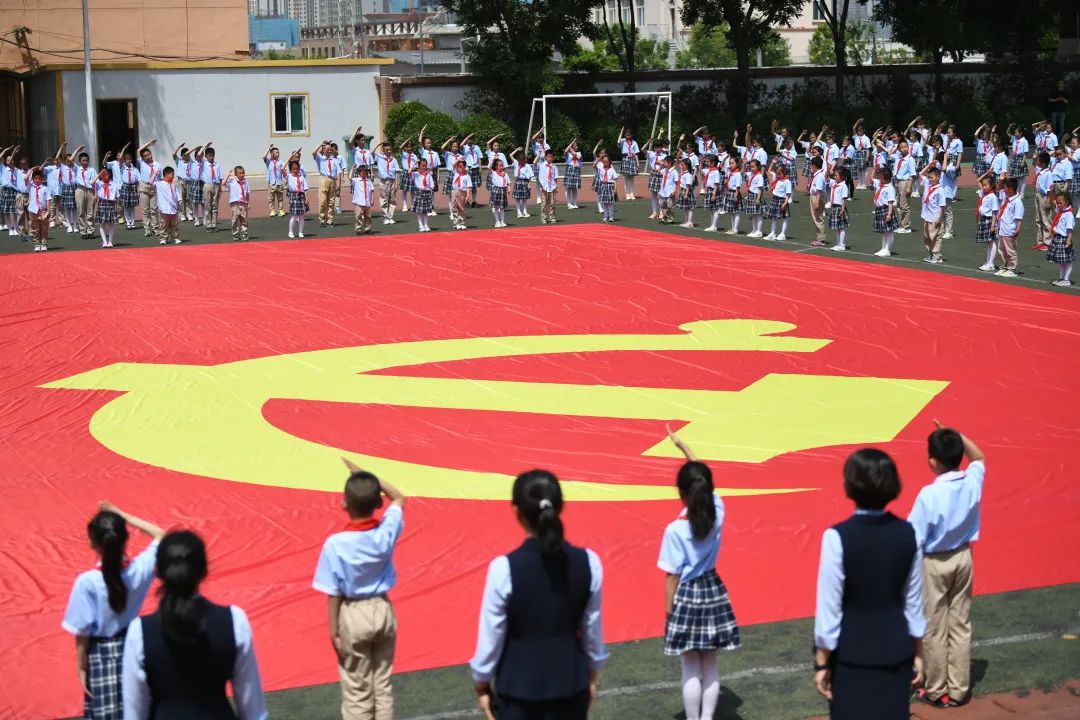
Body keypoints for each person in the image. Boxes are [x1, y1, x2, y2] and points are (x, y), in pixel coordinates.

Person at [470, 469, 607, 720]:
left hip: (518, 692)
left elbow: (492, 634)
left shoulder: (504, 568)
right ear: (560, 506)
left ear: (516, 512)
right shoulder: (589, 563)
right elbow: (593, 631)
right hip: (571, 686)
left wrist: (481, 680)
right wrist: (592, 674)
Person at [813, 448, 926, 720]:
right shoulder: (910, 534)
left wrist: (821, 663)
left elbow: (829, 609)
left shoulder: (836, 537)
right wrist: (919, 653)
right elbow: (914, 604)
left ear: (850, 486)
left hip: (852, 657)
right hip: (896, 652)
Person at [121, 531, 267, 720]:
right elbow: (253, 711)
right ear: (204, 570)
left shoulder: (139, 632)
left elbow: (134, 713)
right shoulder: (234, 621)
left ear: (158, 572)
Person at [313, 458, 406, 720]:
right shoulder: (385, 533)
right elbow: (399, 498)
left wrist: (334, 631)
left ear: (344, 503)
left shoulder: (336, 544)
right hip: (382, 608)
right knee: (382, 684)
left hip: (353, 613)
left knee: (357, 688)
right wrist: (369, 477)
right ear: (378, 503)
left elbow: (333, 592)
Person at [659, 428, 740, 720]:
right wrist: (685, 448)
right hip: (713, 591)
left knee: (690, 666)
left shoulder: (675, 529)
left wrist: (669, 613)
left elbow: (671, 576)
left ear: (681, 494)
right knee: (711, 664)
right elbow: (706, 479)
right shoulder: (718, 512)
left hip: (687, 596)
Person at [907, 421, 986, 708]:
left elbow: (912, 538)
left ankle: (937, 688)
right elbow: (978, 457)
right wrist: (958, 435)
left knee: (934, 626)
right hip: (964, 558)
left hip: (934, 563)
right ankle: (959, 688)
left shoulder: (928, 495)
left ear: (932, 461)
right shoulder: (971, 480)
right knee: (960, 622)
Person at [62, 501, 165, 720]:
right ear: (125, 539)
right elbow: (161, 535)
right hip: (135, 646)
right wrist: (122, 514)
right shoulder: (139, 570)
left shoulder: (87, 582)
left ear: (93, 544)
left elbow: (82, 631)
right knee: (140, 707)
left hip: (101, 655)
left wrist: (80, 665)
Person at [994, 178, 1025, 279]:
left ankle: (1012, 268)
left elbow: (1019, 218)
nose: (1004, 189)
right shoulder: (1005, 198)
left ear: (1011, 189)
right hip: (1002, 228)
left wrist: (1017, 229)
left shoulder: (1017, 202)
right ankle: (1005, 266)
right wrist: (1001, 181)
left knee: (1010, 250)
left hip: (1010, 229)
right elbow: (997, 189)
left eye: (1006, 188)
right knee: (1002, 249)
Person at [920, 164, 947, 264]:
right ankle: (931, 253)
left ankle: (937, 256)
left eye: (932, 177)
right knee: (927, 237)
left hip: (935, 217)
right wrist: (928, 166)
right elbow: (920, 174)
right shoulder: (928, 184)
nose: (930, 179)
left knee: (936, 237)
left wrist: (939, 218)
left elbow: (941, 206)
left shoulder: (940, 190)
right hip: (927, 216)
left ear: (938, 177)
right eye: (929, 177)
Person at [1046, 192, 1075, 286]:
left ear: (1066, 202)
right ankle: (1061, 278)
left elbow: (1070, 229)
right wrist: (1051, 192)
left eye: (1060, 202)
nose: (1058, 204)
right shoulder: (1061, 211)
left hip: (1064, 238)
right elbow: (1053, 201)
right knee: (1061, 260)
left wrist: (1069, 240)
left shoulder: (1068, 214)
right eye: (1058, 203)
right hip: (1057, 237)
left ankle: (1066, 279)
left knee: (1067, 260)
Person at [135, 139, 162, 239]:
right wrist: (149, 144)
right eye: (145, 155)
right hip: (144, 186)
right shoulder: (142, 163)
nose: (148, 156)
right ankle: (147, 229)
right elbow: (138, 151)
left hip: (154, 187)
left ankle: (155, 228)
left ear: (151, 154)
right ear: (143, 157)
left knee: (154, 210)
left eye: (148, 154)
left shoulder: (158, 165)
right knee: (145, 210)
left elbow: (161, 178)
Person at [870, 166, 899, 257]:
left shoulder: (890, 188)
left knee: (889, 230)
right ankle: (883, 248)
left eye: (880, 176)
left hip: (886, 209)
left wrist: (889, 214)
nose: (878, 177)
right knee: (883, 231)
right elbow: (871, 179)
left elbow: (890, 202)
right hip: (879, 209)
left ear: (885, 178)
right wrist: (874, 169)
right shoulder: (879, 183)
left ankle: (887, 249)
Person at [974, 176, 1000, 272]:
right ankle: (988, 261)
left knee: (992, 241)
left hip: (989, 220)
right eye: (983, 185)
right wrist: (986, 174)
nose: (984, 187)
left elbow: (994, 212)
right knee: (988, 242)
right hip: (984, 219)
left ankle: (991, 263)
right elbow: (978, 181)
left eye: (986, 185)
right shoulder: (984, 194)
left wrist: (993, 225)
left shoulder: (993, 197)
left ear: (991, 185)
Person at [763, 161, 792, 241]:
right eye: (777, 174)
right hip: (775, 199)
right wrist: (772, 163)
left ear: (784, 172)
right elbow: (769, 171)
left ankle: (783, 234)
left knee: (784, 217)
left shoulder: (787, 182)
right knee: (773, 217)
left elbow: (788, 194)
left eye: (779, 174)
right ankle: (773, 233)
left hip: (782, 201)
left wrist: (785, 204)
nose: (778, 175)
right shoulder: (777, 179)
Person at [1032, 152, 1054, 252]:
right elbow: (1034, 163)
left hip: (1044, 197)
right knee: (1038, 219)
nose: (1037, 161)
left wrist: (1049, 200)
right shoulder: (1040, 170)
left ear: (1043, 163)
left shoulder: (1048, 173)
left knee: (1046, 220)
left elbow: (1050, 189)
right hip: (1038, 195)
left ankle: (1047, 242)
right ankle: (1040, 241)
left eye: (1038, 160)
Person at [154, 166, 182, 245]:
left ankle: (175, 238)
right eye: (172, 174)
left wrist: (179, 201)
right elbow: (150, 182)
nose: (173, 176)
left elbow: (177, 194)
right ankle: (163, 238)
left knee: (174, 224)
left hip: (173, 207)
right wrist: (155, 173)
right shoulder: (159, 184)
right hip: (164, 208)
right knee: (164, 224)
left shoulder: (173, 185)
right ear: (166, 174)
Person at [826, 167, 851, 252]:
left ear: (842, 176)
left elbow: (843, 199)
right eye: (834, 175)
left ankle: (842, 244)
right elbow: (827, 178)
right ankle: (838, 243)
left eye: (836, 175)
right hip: (834, 207)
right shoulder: (834, 183)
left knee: (841, 227)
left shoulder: (843, 186)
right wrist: (828, 170)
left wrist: (842, 209)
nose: (835, 177)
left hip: (839, 207)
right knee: (837, 227)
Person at [93, 167, 120, 248]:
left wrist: (118, 206)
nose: (105, 177)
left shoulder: (113, 184)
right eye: (103, 175)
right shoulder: (99, 183)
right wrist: (99, 175)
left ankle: (110, 241)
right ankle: (104, 242)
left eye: (106, 175)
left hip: (111, 203)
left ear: (109, 175)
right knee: (102, 225)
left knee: (111, 224)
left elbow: (117, 196)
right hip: (102, 203)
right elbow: (91, 182)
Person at [313, 140, 338, 227]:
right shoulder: (320, 159)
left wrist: (337, 183)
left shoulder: (334, 160)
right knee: (322, 201)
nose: (329, 150)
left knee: (331, 201)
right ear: (323, 150)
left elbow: (337, 172)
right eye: (327, 149)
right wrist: (321, 144)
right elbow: (313, 153)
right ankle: (322, 219)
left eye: (330, 149)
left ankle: (330, 220)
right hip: (323, 178)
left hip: (332, 179)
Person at [224, 166, 251, 242]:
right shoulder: (232, 181)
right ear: (236, 174)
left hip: (243, 203)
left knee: (244, 219)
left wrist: (248, 203)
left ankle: (244, 233)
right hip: (235, 204)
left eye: (243, 173)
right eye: (240, 173)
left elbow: (247, 193)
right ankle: (235, 234)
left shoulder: (246, 182)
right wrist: (228, 175)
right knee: (235, 220)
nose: (242, 175)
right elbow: (223, 183)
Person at [377, 142, 401, 226]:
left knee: (392, 199)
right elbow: (371, 153)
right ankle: (386, 217)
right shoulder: (379, 158)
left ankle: (390, 216)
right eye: (387, 150)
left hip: (392, 181)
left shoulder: (393, 160)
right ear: (383, 150)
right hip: (384, 181)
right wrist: (378, 145)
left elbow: (397, 172)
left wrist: (397, 183)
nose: (389, 151)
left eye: (390, 149)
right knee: (384, 199)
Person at [27, 167, 50, 252]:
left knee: (44, 228)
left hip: (43, 211)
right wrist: (32, 169)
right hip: (33, 211)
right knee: (35, 228)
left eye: (39, 178)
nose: (37, 180)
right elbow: (25, 178)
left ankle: (44, 244)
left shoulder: (45, 188)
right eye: (35, 178)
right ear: (32, 179)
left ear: (42, 179)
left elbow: (48, 199)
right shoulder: (30, 187)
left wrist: (48, 211)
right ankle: (37, 244)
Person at [285, 156, 309, 239]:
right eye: (293, 169)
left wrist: (307, 198)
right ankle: (290, 231)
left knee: (302, 215)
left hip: (301, 196)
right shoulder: (289, 176)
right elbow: (282, 169)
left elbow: (305, 188)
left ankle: (300, 232)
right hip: (294, 195)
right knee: (294, 215)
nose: (295, 170)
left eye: (297, 169)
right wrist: (291, 157)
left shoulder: (302, 177)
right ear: (291, 169)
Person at [74, 151, 97, 239]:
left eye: (86, 160)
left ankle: (90, 230)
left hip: (90, 190)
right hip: (80, 189)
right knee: (81, 211)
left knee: (90, 211)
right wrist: (77, 150)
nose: (85, 162)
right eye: (83, 161)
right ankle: (83, 230)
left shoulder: (92, 170)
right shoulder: (77, 169)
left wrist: (95, 194)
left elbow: (96, 183)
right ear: (80, 161)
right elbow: (71, 160)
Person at [201, 145, 224, 232]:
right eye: (209, 155)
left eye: (213, 155)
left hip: (216, 185)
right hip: (207, 185)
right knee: (208, 206)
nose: (211, 157)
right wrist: (204, 147)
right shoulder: (203, 163)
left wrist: (220, 187)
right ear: (206, 156)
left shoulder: (217, 164)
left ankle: (214, 223)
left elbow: (220, 176)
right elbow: (199, 155)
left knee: (215, 205)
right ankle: (208, 223)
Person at [411, 157, 436, 232]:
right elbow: (409, 172)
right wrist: (415, 163)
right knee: (419, 211)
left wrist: (431, 192)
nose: (424, 167)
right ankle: (420, 225)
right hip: (419, 192)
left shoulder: (428, 175)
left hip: (427, 193)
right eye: (422, 165)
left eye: (425, 166)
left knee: (425, 211)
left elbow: (431, 186)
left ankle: (426, 224)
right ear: (419, 166)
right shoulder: (416, 174)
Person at [742, 159, 765, 237]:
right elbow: (743, 173)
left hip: (756, 196)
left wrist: (758, 199)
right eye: (751, 167)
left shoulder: (759, 176)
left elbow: (760, 189)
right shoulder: (750, 174)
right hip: (750, 195)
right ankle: (754, 230)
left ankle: (759, 231)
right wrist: (744, 164)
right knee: (753, 214)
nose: (752, 168)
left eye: (753, 167)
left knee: (758, 214)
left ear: (758, 167)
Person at [721, 156, 743, 235]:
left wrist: (735, 196)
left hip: (734, 193)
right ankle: (733, 227)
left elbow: (738, 186)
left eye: (732, 163)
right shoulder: (730, 172)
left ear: (737, 164)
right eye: (730, 164)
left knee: (736, 212)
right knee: (732, 212)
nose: (731, 165)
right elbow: (721, 166)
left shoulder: (738, 174)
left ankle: (735, 229)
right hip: (729, 192)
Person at [808, 156, 827, 246]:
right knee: (816, 217)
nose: (810, 167)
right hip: (815, 196)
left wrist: (816, 202)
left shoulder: (819, 176)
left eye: (811, 165)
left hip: (816, 197)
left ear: (814, 166)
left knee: (818, 217)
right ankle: (819, 237)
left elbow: (819, 190)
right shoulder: (818, 175)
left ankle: (821, 239)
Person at [537, 148, 559, 224]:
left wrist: (556, 186)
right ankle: (543, 218)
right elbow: (540, 176)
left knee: (552, 203)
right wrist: (542, 185)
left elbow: (555, 178)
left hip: (552, 187)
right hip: (544, 187)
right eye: (549, 157)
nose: (550, 158)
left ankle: (552, 217)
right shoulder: (542, 166)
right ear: (545, 157)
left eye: (551, 157)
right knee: (544, 203)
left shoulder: (554, 167)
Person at [351, 164, 375, 235]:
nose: (364, 174)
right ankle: (358, 228)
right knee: (358, 216)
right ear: (359, 173)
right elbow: (349, 177)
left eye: (366, 173)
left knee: (368, 216)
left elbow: (372, 190)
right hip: (359, 201)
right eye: (363, 172)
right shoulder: (356, 180)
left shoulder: (369, 181)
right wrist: (352, 169)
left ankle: (368, 228)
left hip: (367, 201)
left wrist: (372, 199)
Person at [511, 150, 534, 219]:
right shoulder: (516, 163)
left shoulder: (527, 166)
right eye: (519, 160)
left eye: (522, 160)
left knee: (524, 198)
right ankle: (518, 212)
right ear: (518, 160)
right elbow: (510, 155)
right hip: (518, 181)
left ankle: (525, 211)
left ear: (524, 160)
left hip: (525, 182)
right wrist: (517, 150)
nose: (520, 162)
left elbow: (530, 176)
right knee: (517, 198)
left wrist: (529, 184)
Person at [618, 127, 640, 200]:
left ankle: (632, 193)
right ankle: (627, 194)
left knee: (631, 178)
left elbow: (636, 153)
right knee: (626, 178)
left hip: (632, 160)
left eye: (629, 135)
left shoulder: (634, 143)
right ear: (625, 135)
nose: (628, 136)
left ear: (631, 135)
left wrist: (637, 163)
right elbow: (618, 142)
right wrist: (621, 132)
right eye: (626, 134)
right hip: (625, 159)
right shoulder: (622, 141)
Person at [264, 146, 286, 218]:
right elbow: (264, 157)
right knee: (271, 198)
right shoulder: (269, 161)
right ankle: (272, 210)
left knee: (280, 197)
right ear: (272, 154)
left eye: (278, 152)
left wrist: (286, 179)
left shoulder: (280, 162)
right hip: (272, 183)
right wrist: (268, 149)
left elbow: (284, 170)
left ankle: (281, 210)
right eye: (276, 152)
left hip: (279, 182)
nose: (278, 153)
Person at [487, 158, 510, 228]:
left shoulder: (505, 174)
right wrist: (492, 161)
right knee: (496, 207)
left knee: (502, 208)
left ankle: (502, 221)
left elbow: (508, 183)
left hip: (503, 191)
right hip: (496, 190)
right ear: (496, 167)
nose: (502, 167)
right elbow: (488, 167)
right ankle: (497, 221)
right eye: (500, 166)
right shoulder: (493, 173)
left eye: (502, 165)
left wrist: (508, 189)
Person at [596, 155, 619, 223]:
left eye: (606, 162)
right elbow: (594, 166)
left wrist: (615, 188)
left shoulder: (612, 170)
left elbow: (615, 179)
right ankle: (605, 216)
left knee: (610, 203)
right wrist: (599, 159)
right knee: (604, 203)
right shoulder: (601, 169)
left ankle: (611, 216)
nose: (605, 163)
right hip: (603, 186)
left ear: (610, 162)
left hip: (610, 186)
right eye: (604, 162)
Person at [656, 155, 678, 225]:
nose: (664, 163)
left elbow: (676, 182)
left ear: (670, 163)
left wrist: (674, 190)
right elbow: (658, 171)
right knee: (662, 204)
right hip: (663, 191)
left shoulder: (674, 172)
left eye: (665, 162)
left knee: (670, 205)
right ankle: (664, 217)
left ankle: (670, 218)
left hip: (670, 191)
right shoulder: (664, 170)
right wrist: (661, 165)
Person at [451, 159, 472, 231]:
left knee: (461, 208)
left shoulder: (467, 176)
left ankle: (462, 222)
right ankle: (457, 223)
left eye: (461, 166)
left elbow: (469, 187)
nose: (460, 168)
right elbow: (453, 165)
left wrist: (468, 196)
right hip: (455, 191)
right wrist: (458, 160)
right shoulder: (455, 173)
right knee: (454, 207)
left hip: (462, 192)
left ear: (465, 167)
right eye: (458, 166)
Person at [676, 158, 696, 228]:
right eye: (682, 165)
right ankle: (686, 221)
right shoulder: (684, 173)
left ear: (687, 165)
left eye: (683, 165)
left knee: (689, 207)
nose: (682, 166)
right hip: (683, 190)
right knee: (685, 208)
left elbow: (688, 185)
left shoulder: (688, 175)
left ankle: (689, 222)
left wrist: (686, 194)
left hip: (686, 191)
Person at [563, 139, 583, 210]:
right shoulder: (568, 154)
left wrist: (572, 150)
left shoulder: (579, 153)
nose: (576, 146)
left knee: (574, 188)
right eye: (575, 145)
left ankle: (574, 203)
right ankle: (569, 203)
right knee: (569, 188)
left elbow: (578, 157)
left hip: (576, 170)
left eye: (576, 145)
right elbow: (565, 151)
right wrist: (571, 144)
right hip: (570, 170)